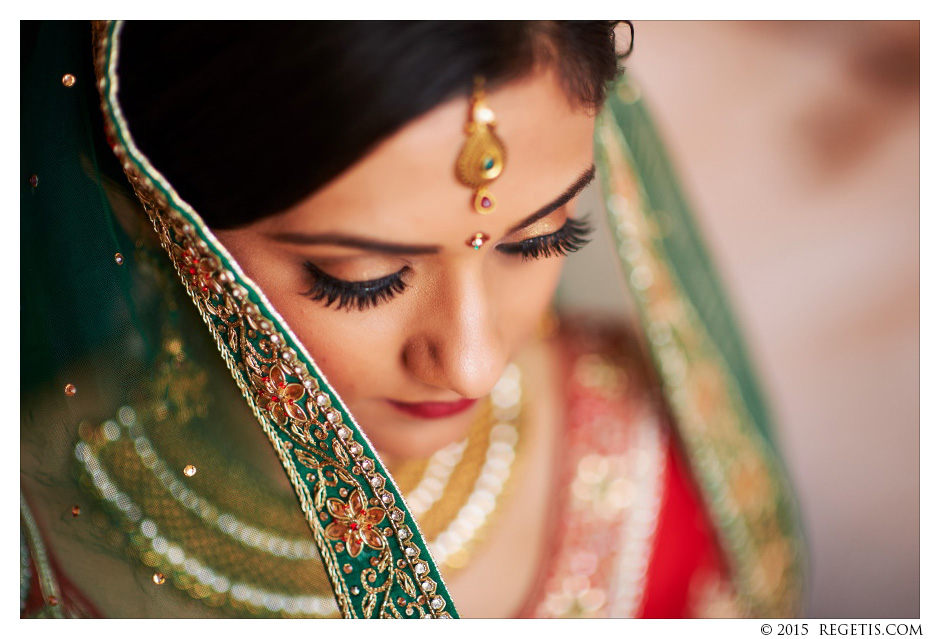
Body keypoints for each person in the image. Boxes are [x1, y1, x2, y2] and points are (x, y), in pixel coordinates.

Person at [20, 21, 805, 618]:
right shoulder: (30, 543)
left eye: (542, 236)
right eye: (362, 281)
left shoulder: (650, 440)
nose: (471, 360)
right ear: (139, 211)